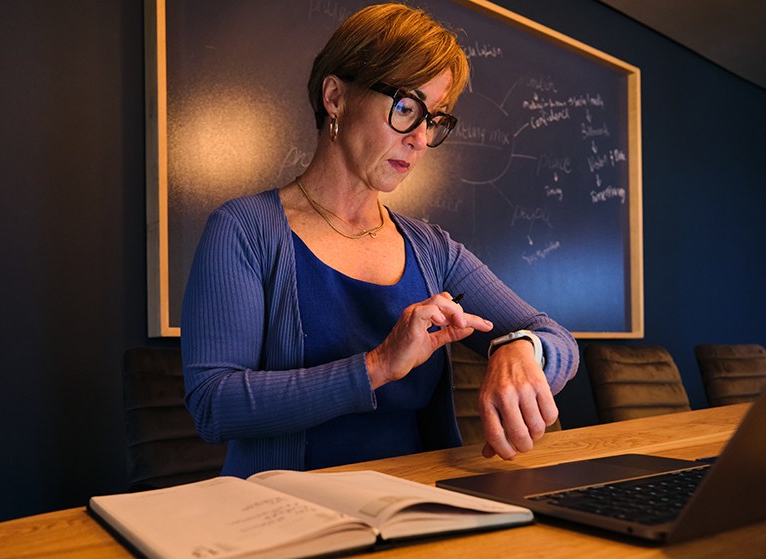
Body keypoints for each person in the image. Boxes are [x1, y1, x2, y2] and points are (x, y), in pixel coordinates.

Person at [181, 3, 579, 478]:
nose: (421, 140)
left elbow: (560, 341)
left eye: (433, 119)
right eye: (406, 108)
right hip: (285, 518)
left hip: (422, 507)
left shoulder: (433, 250)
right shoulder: (244, 230)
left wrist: (519, 349)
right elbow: (213, 405)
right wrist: (376, 366)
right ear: (335, 97)